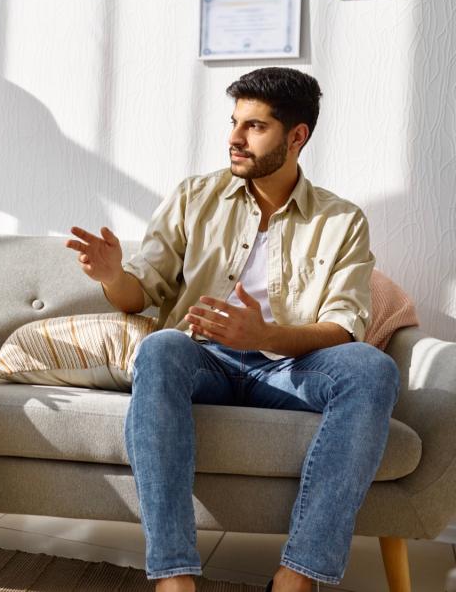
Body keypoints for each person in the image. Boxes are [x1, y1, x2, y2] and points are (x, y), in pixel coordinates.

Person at [66, 68, 398, 592]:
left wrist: (264, 336)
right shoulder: (194, 196)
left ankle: (299, 574)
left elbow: (342, 327)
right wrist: (113, 277)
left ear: (296, 137)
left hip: (291, 367)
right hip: (206, 359)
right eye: (233, 122)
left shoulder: (342, 220)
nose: (234, 139)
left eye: (255, 127)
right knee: (159, 349)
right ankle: (173, 575)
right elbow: (142, 292)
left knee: (373, 368)